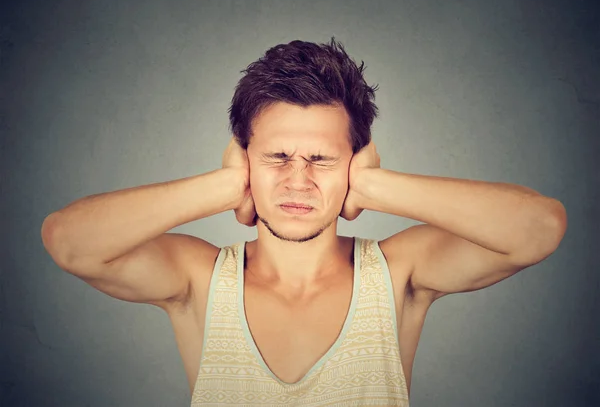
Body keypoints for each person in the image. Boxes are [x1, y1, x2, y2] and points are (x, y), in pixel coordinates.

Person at [41, 38, 567, 406]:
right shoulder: (197, 280)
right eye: (276, 158)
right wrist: (223, 187)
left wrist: (377, 188)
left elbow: (539, 229)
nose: (298, 181)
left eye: (321, 160)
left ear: (355, 164)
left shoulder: (400, 272)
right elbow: (68, 241)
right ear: (244, 159)